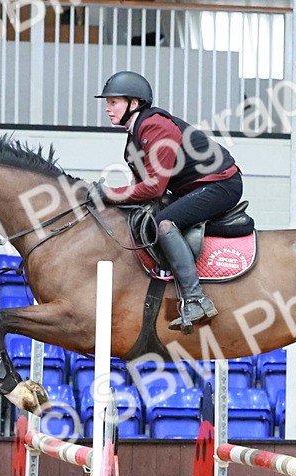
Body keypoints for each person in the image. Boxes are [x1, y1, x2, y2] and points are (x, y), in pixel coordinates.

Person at [91, 71, 243, 333]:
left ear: (134, 104)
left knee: (164, 223)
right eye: (107, 103)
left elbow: (152, 188)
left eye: (113, 102)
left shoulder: (155, 127)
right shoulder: (134, 138)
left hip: (221, 184)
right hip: (197, 186)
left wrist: (108, 194)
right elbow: (144, 191)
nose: (107, 108)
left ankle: (196, 299)